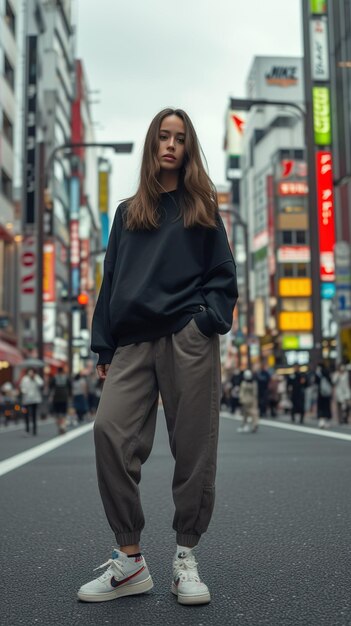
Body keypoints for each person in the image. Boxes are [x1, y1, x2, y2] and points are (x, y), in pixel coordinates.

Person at [77, 108, 238, 605]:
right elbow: (111, 280)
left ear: (189, 149)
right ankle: (130, 561)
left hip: (187, 335)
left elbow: (223, 276)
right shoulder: (127, 212)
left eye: (180, 138)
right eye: (163, 137)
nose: (171, 145)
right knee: (109, 431)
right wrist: (103, 342)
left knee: (193, 446)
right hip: (132, 340)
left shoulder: (201, 206)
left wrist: (206, 320)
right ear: (152, 144)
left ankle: (185, 556)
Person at [19, 368, 44, 436]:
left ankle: (34, 430)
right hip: (26, 400)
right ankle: (27, 429)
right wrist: (24, 392)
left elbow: (41, 384)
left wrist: (35, 378)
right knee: (26, 414)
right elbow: (22, 387)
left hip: (35, 399)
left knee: (34, 415)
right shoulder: (25, 379)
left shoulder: (37, 378)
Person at [49, 367, 72, 434]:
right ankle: (63, 426)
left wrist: (50, 396)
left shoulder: (54, 378)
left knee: (57, 413)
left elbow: (50, 387)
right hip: (64, 397)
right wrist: (70, 396)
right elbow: (70, 387)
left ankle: (60, 426)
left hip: (56, 397)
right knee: (64, 413)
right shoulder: (66, 378)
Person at [315, 362, 333, 428]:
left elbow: (316, 382)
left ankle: (322, 420)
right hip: (327, 393)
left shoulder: (319, 373)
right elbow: (331, 381)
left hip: (321, 393)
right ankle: (327, 420)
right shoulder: (327, 372)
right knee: (327, 406)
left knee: (321, 407)